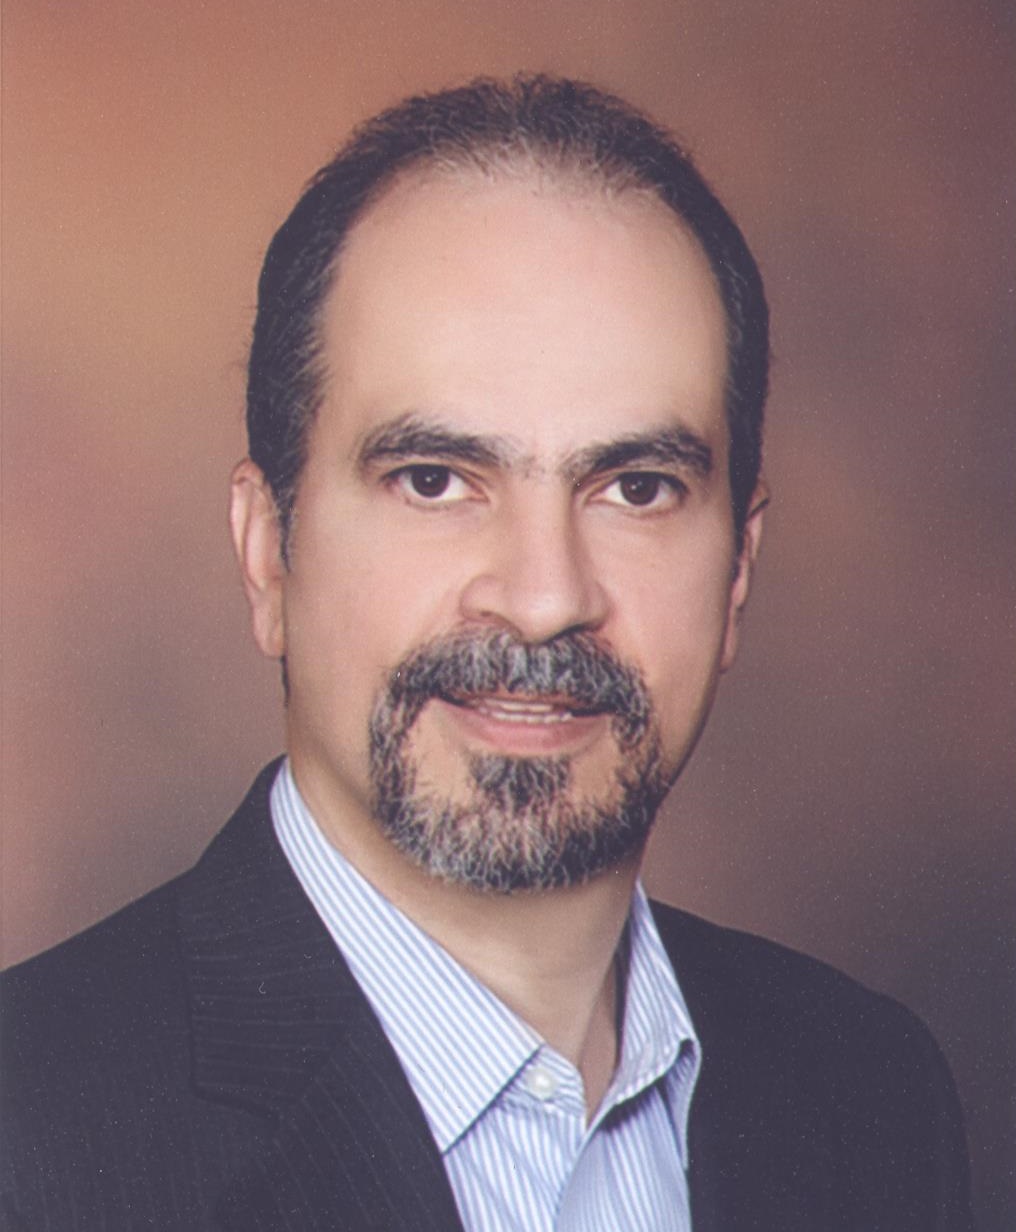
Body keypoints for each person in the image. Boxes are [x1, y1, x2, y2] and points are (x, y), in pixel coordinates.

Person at [0, 75, 973, 1232]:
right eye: (433, 480)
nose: (543, 597)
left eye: (635, 487)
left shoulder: (868, 1093)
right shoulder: (30, 1134)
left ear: (737, 568)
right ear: (268, 551)